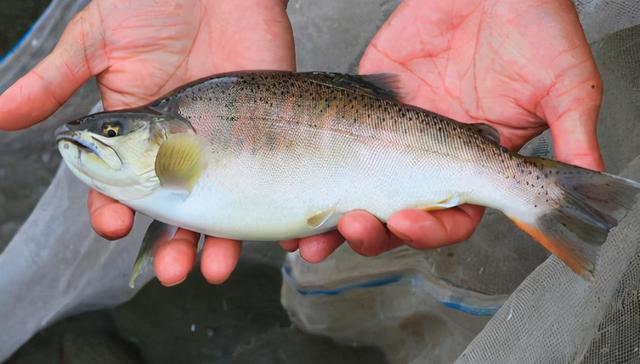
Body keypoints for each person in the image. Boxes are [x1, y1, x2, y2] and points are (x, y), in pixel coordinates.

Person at [0, 0, 602, 287]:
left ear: (167, 143)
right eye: (108, 130)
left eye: (110, 130)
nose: (89, 136)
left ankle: (540, 195)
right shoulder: (172, 163)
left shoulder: (176, 159)